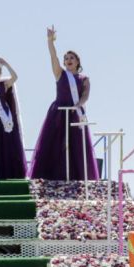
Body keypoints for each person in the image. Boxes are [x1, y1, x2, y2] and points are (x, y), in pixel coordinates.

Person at [28, 26, 99, 181]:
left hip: (75, 113)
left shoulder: (84, 78)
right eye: (66, 58)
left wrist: (78, 105)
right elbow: (53, 58)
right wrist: (50, 41)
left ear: (78, 61)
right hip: (58, 113)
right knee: (54, 145)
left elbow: (85, 95)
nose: (68, 60)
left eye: (71, 58)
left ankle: (78, 176)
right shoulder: (60, 73)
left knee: (77, 146)